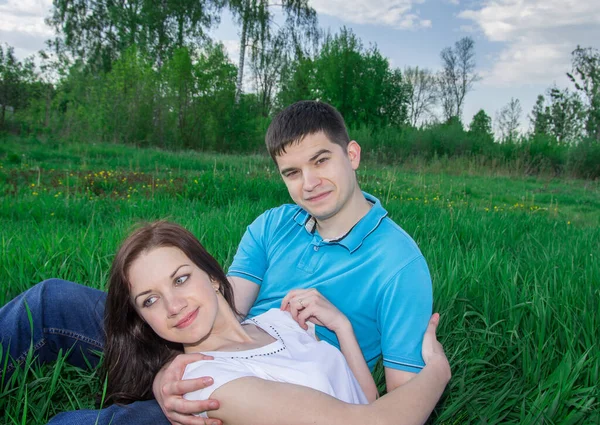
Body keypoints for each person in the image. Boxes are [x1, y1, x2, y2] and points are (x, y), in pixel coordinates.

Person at [0, 101, 434, 425]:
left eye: (321, 161)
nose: (309, 184)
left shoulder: (400, 266)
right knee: (49, 301)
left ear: (351, 155)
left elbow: (399, 399)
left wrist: (435, 372)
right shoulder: (275, 224)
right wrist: (168, 364)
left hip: (289, 397)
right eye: (291, 172)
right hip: (224, 345)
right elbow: (226, 304)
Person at [103, 220, 449, 425]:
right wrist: (437, 371)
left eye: (180, 279)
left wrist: (342, 327)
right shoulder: (203, 381)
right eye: (150, 300)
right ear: (144, 320)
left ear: (211, 274)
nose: (173, 305)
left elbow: (365, 399)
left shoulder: (278, 320)